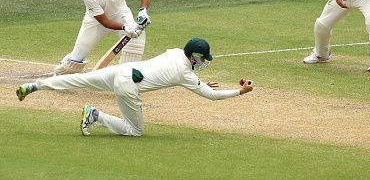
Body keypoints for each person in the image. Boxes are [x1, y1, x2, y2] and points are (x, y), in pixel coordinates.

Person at [16, 37, 255, 137]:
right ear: (193, 56)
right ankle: (95, 115)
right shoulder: (185, 73)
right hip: (128, 86)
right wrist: (240, 92)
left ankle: (35, 85)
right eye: (202, 59)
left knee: (78, 79)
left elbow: (184, 74)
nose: (203, 62)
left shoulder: (175, 53)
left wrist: (199, 80)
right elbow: (211, 96)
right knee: (135, 131)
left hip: (121, 71)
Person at [53, 0, 152, 75]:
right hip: (95, 22)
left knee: (137, 39)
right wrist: (125, 27)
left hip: (120, 15)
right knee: (75, 61)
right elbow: (104, 21)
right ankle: (58, 75)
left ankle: (124, 77)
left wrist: (143, 10)